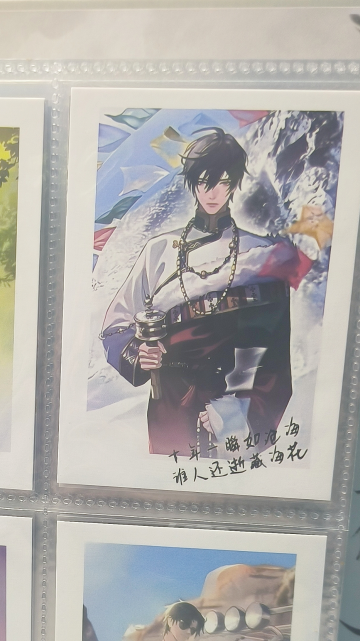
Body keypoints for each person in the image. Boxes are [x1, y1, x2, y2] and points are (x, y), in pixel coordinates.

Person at [101, 128, 332, 456]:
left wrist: (238, 413)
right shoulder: (159, 250)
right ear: (193, 183)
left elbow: (276, 359)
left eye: (223, 182)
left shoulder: (260, 253)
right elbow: (115, 328)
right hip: (168, 403)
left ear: (234, 184)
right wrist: (140, 354)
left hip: (231, 404)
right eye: (204, 182)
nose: (212, 193)